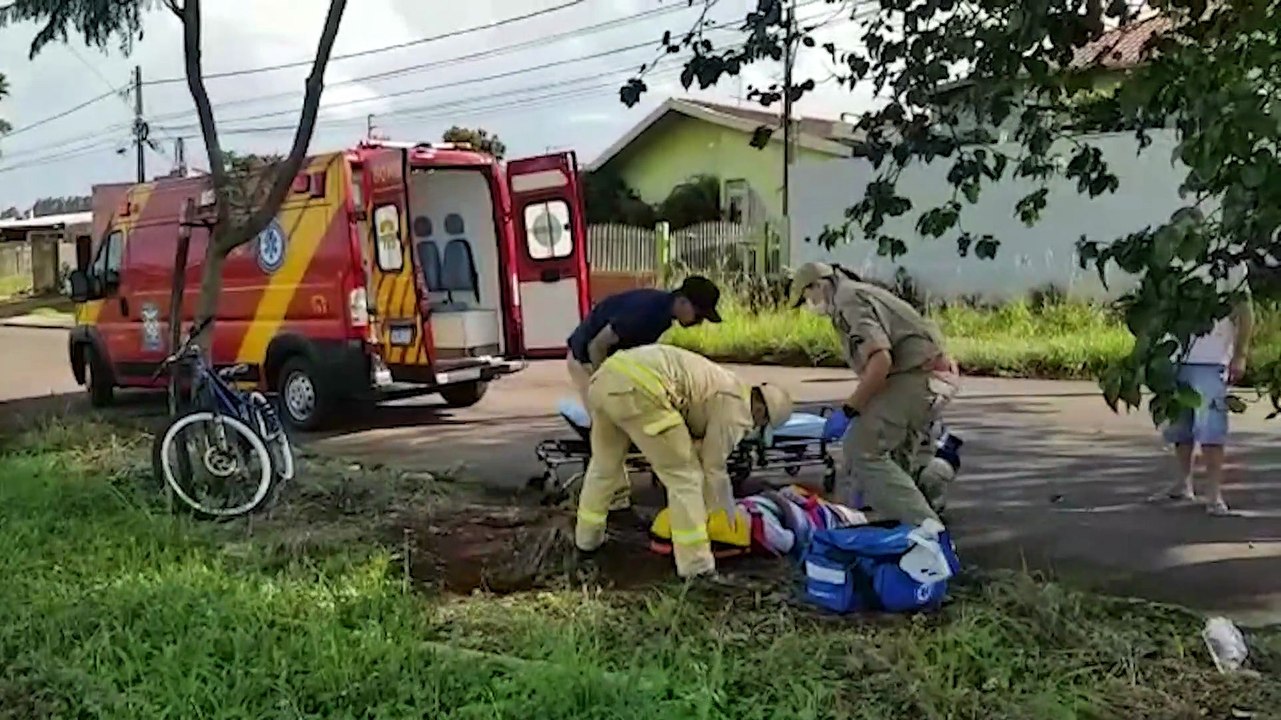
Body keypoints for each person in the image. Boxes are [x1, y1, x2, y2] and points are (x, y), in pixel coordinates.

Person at [574, 344, 793, 579]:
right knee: (686, 478)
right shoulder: (739, 410)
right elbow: (713, 466)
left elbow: (696, 435)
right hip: (643, 390)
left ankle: (586, 542)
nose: (755, 429)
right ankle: (696, 567)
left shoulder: (727, 384)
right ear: (761, 411)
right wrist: (725, 511)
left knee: (604, 468)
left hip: (606, 379)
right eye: (761, 425)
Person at [789, 262, 957, 526]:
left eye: (806, 298)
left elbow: (880, 361)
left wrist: (849, 410)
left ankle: (926, 528)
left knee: (861, 448)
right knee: (895, 459)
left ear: (818, 285)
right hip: (933, 377)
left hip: (917, 377)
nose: (809, 305)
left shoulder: (848, 301)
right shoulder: (860, 293)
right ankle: (900, 526)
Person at [1152, 263, 1253, 516]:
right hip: (1174, 356)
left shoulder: (1229, 262)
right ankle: (1183, 483)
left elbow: (1245, 311)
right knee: (1180, 425)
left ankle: (1214, 494)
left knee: (1211, 430)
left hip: (1211, 359)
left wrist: (1240, 354)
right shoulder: (1172, 257)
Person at [565, 276, 723, 402]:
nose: (699, 323)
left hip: (602, 357)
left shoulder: (663, 314)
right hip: (584, 359)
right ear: (683, 301)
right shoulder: (647, 312)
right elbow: (597, 346)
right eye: (698, 316)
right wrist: (604, 384)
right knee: (606, 416)